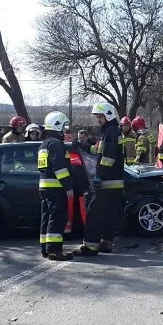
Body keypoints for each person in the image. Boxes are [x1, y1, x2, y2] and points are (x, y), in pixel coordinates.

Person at [71, 102, 124, 257]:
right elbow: (100, 151)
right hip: (115, 181)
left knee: (93, 213)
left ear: (108, 115)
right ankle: (106, 243)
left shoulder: (111, 132)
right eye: (97, 117)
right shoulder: (112, 131)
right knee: (109, 213)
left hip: (107, 181)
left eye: (100, 117)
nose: (98, 120)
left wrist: (100, 175)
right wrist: (85, 146)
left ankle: (90, 247)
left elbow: (108, 158)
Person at [37, 111, 74, 261]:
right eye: (64, 125)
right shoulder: (56, 144)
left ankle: (46, 248)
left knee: (46, 217)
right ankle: (54, 251)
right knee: (57, 217)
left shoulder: (44, 144)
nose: (66, 129)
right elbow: (60, 168)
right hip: (56, 187)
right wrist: (68, 186)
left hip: (45, 187)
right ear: (57, 125)